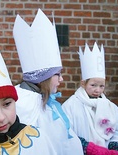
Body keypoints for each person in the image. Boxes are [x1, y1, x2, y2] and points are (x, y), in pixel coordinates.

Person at [13, 8, 85, 155]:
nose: (62, 79)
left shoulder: (48, 102)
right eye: (57, 74)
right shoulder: (20, 103)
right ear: (43, 78)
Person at [62, 42, 118, 155]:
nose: (97, 90)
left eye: (101, 86)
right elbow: (66, 133)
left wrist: (115, 150)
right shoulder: (70, 105)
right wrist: (88, 148)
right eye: (93, 85)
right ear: (83, 84)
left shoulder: (111, 107)